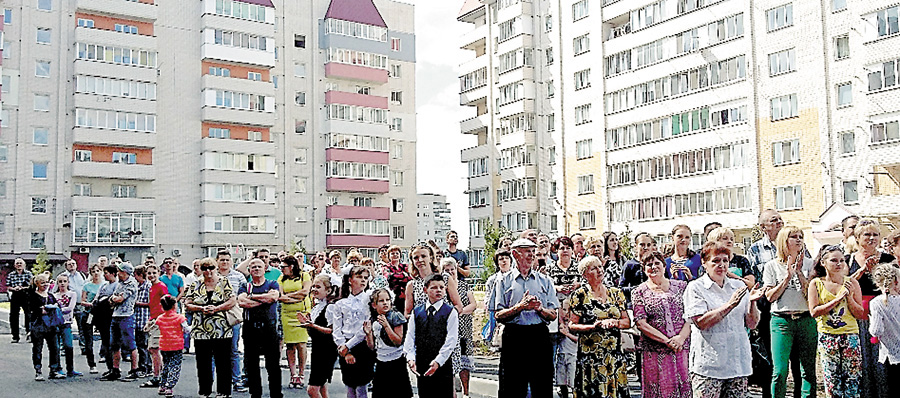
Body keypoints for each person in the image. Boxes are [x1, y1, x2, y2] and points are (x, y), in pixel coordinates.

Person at [684, 242, 764, 398]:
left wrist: (753, 302)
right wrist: (729, 305)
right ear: (704, 263)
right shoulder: (695, 287)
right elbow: (701, 322)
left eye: (725, 261)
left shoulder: (738, 286)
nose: (721, 265)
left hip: (737, 364)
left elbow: (752, 323)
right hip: (709, 366)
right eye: (715, 261)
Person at [491, 238, 559, 398]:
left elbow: (553, 314)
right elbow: (498, 315)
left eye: (533, 252)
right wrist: (520, 307)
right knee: (512, 387)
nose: (531, 256)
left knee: (542, 386)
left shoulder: (545, 281)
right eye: (527, 251)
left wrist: (539, 308)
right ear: (515, 254)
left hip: (539, 335)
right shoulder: (503, 280)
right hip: (514, 336)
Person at [761, 226, 816, 398]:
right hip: (781, 321)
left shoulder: (810, 263)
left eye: (801, 236)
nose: (798, 239)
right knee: (780, 371)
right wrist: (787, 277)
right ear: (784, 241)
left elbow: (812, 295)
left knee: (807, 370)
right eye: (793, 236)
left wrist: (799, 272)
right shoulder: (771, 266)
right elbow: (770, 297)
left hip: (806, 319)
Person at [567, 255, 631, 398]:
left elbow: (627, 322)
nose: (599, 270)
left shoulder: (616, 293)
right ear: (585, 274)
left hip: (613, 357)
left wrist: (615, 322)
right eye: (594, 268)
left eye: (600, 267)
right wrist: (592, 327)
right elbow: (572, 325)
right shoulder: (579, 295)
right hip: (590, 357)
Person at [808, 245, 866, 398]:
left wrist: (849, 298)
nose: (839, 264)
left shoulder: (852, 283)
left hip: (850, 336)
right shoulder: (816, 284)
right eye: (834, 260)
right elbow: (814, 311)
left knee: (852, 381)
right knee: (832, 383)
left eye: (842, 260)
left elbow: (860, 313)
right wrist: (838, 299)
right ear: (823, 262)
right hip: (828, 336)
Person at [846, 220, 895, 398]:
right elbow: (842, 285)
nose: (872, 238)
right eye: (867, 234)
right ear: (857, 238)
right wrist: (862, 270)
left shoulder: (888, 260)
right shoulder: (847, 260)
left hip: (883, 315)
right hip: (857, 314)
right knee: (862, 361)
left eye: (875, 234)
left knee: (882, 362)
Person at [633, 251, 691, 398]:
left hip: (682, 349)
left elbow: (691, 316)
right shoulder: (638, 292)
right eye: (649, 264)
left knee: (686, 388)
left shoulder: (682, 286)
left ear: (665, 266)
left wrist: (681, 339)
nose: (653, 267)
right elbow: (641, 323)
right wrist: (667, 341)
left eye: (657, 263)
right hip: (655, 351)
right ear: (644, 269)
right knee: (659, 391)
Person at [184, 257, 237, 398]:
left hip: (222, 328)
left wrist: (217, 308)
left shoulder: (224, 282)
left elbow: (232, 300)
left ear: (216, 268)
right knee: (203, 362)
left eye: (211, 268)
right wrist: (201, 308)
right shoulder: (195, 284)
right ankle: (204, 390)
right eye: (204, 268)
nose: (208, 271)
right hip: (201, 329)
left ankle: (224, 391)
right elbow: (187, 302)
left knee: (223, 361)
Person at [747, 209, 785, 398]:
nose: (779, 222)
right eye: (773, 220)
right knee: (769, 356)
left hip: (791, 307)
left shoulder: (794, 245)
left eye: (780, 219)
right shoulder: (755, 250)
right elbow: (755, 281)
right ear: (763, 227)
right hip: (767, 309)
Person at [403, 274, 458, 398]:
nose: (438, 290)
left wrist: (438, 361)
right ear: (425, 290)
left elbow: (451, 339)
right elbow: (410, 336)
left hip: (442, 364)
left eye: (441, 287)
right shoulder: (417, 312)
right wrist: (410, 357)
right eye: (433, 287)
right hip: (423, 363)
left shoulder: (450, 312)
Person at [237, 259, 283, 398]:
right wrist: (262, 300)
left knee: (273, 365)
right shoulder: (245, 286)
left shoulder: (272, 283)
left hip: (269, 329)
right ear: (250, 270)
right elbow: (242, 302)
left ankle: (276, 394)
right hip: (250, 328)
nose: (256, 269)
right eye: (253, 267)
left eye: (259, 267)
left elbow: (273, 297)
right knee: (252, 365)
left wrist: (252, 298)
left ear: (264, 269)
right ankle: (255, 394)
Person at [332, 266, 376, 398]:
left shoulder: (369, 302)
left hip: (362, 346)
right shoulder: (341, 304)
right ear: (350, 280)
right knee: (349, 385)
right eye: (359, 277)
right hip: (344, 346)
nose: (363, 280)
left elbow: (365, 328)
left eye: (365, 278)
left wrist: (348, 346)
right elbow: (336, 329)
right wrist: (343, 348)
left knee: (361, 386)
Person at [365, 288, 412, 398]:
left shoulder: (395, 316)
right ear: (374, 305)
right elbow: (372, 347)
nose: (385, 303)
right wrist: (368, 334)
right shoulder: (373, 320)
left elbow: (398, 341)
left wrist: (386, 326)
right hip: (381, 361)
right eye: (381, 301)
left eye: (388, 300)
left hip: (396, 361)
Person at [442, 257, 477, 398]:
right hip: (448, 330)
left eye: (452, 269)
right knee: (449, 363)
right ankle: (452, 392)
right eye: (447, 270)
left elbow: (473, 304)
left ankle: (466, 393)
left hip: (464, 328)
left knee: (464, 363)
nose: (451, 272)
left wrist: (458, 312)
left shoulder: (463, 285)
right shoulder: (442, 287)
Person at [215, 250, 249, 392]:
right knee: (215, 351)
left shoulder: (238, 276)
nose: (225, 262)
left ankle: (236, 381)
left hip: (232, 317)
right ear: (217, 261)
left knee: (233, 350)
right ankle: (215, 383)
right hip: (215, 317)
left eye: (227, 260)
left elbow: (244, 294)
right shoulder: (212, 275)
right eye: (222, 260)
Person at [300, 274, 338, 398]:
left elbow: (331, 331)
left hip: (326, 351)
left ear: (328, 290)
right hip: (317, 349)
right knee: (322, 386)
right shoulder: (316, 307)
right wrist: (307, 325)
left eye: (318, 287)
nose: (314, 289)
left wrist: (313, 326)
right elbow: (313, 333)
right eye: (313, 286)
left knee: (312, 389)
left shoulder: (330, 308)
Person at [102, 262, 140, 381]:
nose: (117, 273)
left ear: (125, 272)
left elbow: (119, 299)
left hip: (126, 315)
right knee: (114, 344)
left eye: (120, 271)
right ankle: (115, 369)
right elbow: (112, 299)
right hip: (116, 315)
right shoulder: (119, 283)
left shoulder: (132, 284)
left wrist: (115, 299)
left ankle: (134, 369)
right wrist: (114, 299)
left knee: (130, 344)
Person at [277, 255, 312, 389]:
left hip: (301, 314)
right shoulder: (281, 278)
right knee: (290, 345)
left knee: (301, 345)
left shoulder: (304, 276)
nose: (281, 269)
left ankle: (302, 374)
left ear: (291, 267)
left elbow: (305, 292)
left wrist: (289, 296)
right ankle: (293, 375)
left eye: (283, 267)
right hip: (287, 314)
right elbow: (280, 296)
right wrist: (295, 297)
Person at [869, 263, 900, 396]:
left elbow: (876, 330)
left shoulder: (876, 303)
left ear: (877, 284)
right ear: (896, 281)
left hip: (890, 354)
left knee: (891, 389)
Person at [29, 273, 63, 381]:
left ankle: (54, 370)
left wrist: (51, 309)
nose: (45, 284)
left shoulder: (50, 296)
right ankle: (38, 371)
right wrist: (41, 310)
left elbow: (57, 307)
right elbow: (31, 309)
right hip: (38, 325)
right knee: (38, 348)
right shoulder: (33, 296)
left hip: (51, 325)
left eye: (46, 282)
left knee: (54, 348)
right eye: (42, 282)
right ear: (37, 283)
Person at [155, 295, 189, 398]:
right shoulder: (179, 318)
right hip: (176, 345)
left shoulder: (160, 318)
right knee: (175, 366)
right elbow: (187, 329)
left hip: (164, 344)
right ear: (175, 306)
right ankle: (169, 386)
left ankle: (162, 385)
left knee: (166, 365)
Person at [141, 264, 169, 389]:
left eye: (154, 273)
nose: (151, 275)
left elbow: (166, 302)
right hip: (153, 319)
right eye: (149, 273)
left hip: (159, 320)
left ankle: (157, 376)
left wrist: (162, 318)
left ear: (158, 273)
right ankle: (159, 374)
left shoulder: (161, 286)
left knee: (154, 348)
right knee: (152, 349)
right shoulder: (152, 287)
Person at [53, 274, 82, 377]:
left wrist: (58, 310)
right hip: (56, 324)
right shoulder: (54, 296)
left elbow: (70, 308)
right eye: (60, 281)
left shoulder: (72, 294)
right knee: (56, 347)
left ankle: (70, 369)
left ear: (68, 283)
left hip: (67, 323)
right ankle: (58, 368)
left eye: (64, 281)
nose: (62, 283)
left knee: (68, 346)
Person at [482, 250, 513, 349]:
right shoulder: (493, 279)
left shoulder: (515, 277)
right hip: (496, 308)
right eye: (501, 259)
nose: (504, 261)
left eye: (507, 258)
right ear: (497, 263)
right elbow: (488, 294)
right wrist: (487, 305)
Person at [93, 265, 119, 376]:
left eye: (107, 273)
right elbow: (97, 297)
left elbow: (112, 300)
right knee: (105, 342)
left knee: (112, 343)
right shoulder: (103, 285)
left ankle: (114, 367)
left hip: (110, 315)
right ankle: (109, 367)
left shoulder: (117, 285)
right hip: (101, 316)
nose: (104, 275)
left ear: (113, 273)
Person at [57, 259, 87, 352]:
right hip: (66, 305)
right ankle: (63, 347)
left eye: (73, 264)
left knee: (82, 327)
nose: (72, 266)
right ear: (66, 266)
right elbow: (55, 290)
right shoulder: (62, 277)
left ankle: (83, 347)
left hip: (79, 304)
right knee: (64, 327)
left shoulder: (82, 275)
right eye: (69, 264)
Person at [80, 264, 103, 373]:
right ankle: (92, 364)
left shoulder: (104, 285)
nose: (96, 273)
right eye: (94, 271)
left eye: (98, 271)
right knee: (89, 340)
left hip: (101, 314)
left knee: (106, 338)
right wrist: (89, 304)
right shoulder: (87, 286)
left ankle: (106, 358)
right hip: (89, 313)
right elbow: (82, 301)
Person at [620, 233, 655, 301]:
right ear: (636, 246)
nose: (645, 248)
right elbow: (621, 288)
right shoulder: (629, 265)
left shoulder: (656, 264)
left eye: (648, 245)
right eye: (642, 245)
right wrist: (637, 289)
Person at [7, 258, 34, 343]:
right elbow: (8, 286)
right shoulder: (11, 275)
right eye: (17, 263)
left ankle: (29, 334)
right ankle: (15, 336)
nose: (19, 265)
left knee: (28, 315)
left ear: (24, 265)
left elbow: (32, 285)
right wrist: (14, 288)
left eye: (20, 263)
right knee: (13, 316)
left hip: (26, 295)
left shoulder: (29, 274)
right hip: (15, 295)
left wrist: (22, 288)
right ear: (14, 265)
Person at [133, 265, 152, 378]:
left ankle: (146, 367)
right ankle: (143, 365)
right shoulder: (138, 286)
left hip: (144, 319)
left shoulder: (148, 287)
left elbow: (150, 303)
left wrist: (137, 303)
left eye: (136, 275)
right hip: (138, 319)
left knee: (144, 345)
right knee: (140, 344)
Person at [555, 312, 578, 398]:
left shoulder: (575, 326)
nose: (565, 314)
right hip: (561, 354)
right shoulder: (561, 325)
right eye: (563, 310)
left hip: (572, 355)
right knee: (561, 380)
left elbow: (578, 339)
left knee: (572, 380)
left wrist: (567, 334)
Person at [384, 245, 412, 312]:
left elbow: (411, 278)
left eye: (397, 253)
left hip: (406, 296)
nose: (395, 255)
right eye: (392, 253)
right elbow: (388, 277)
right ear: (389, 256)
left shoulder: (405, 266)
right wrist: (404, 276)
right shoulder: (386, 267)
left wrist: (397, 277)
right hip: (393, 297)